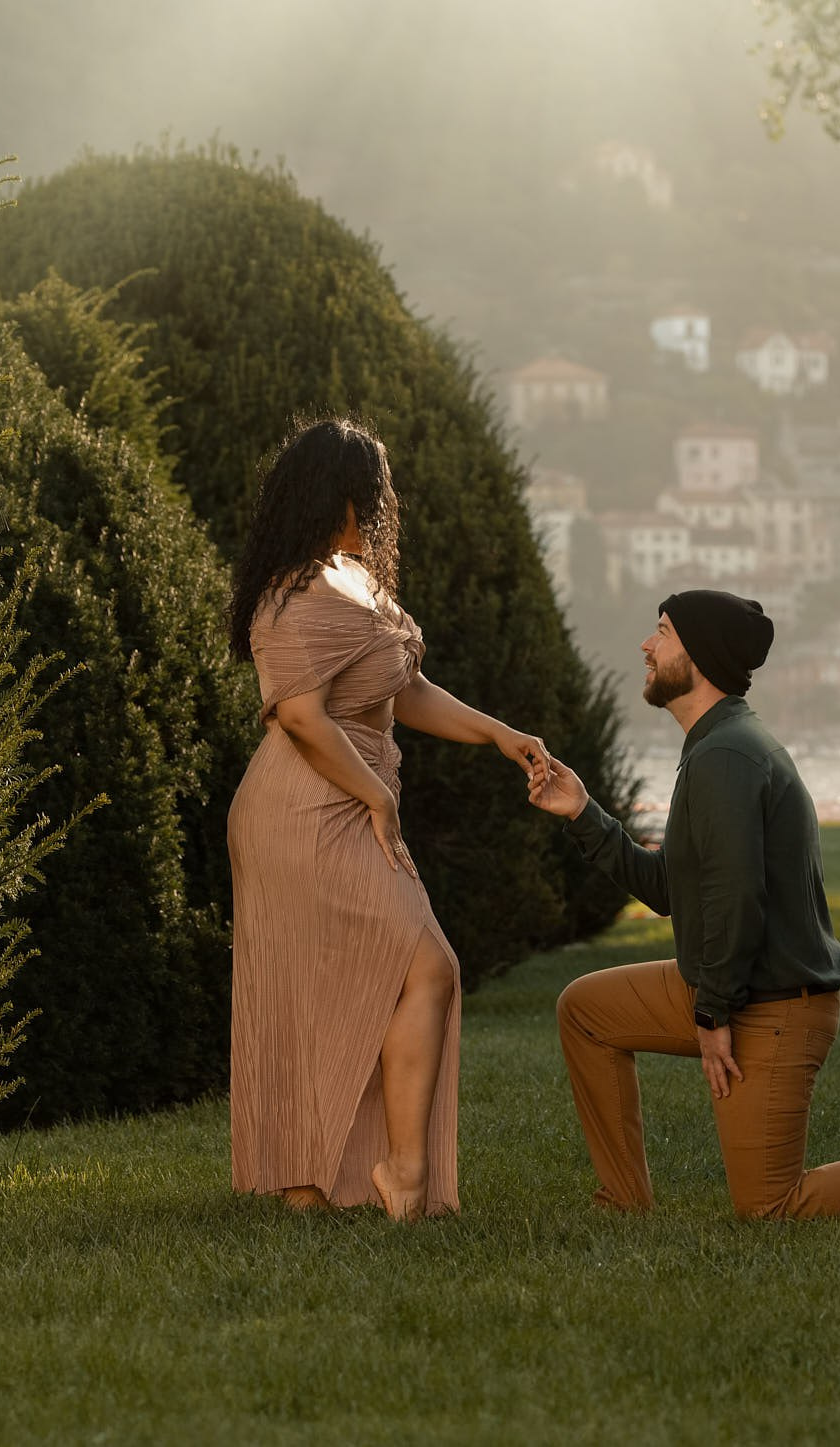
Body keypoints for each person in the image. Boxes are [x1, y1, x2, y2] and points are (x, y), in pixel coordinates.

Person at [528, 589, 840, 1219]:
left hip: (773, 1005)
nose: (647, 644)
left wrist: (713, 1015)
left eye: (663, 632)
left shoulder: (727, 754)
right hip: (727, 986)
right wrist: (584, 814)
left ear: (699, 656)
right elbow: (673, 890)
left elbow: (736, 896)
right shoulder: (714, 745)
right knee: (587, 1011)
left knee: (771, 1207)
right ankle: (623, 1203)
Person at [226, 418, 548, 1222]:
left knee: (396, 971)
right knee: (394, 969)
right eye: (370, 492)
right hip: (303, 808)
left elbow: (403, 691)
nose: (380, 507)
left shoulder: (352, 581)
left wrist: (501, 735)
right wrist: (375, 793)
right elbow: (300, 716)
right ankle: (342, 1178)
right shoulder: (291, 596)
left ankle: (363, 1177)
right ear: (333, 495)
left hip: (349, 800)